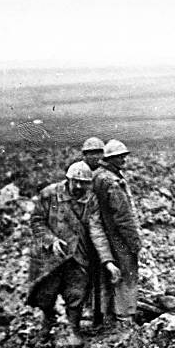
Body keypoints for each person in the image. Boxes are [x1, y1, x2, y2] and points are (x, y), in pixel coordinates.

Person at [27, 162, 121, 347]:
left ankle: (74, 329)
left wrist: (108, 261)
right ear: (68, 179)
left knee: (76, 293)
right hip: (50, 257)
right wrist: (50, 240)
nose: (78, 187)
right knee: (45, 294)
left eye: (83, 183)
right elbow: (37, 220)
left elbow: (97, 231)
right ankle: (47, 321)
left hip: (77, 254)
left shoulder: (91, 200)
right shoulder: (49, 194)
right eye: (75, 182)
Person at [92, 139, 141, 328]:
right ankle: (125, 317)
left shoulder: (97, 176)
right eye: (120, 157)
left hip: (104, 233)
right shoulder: (111, 181)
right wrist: (135, 242)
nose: (124, 160)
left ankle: (106, 316)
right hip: (118, 236)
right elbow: (123, 216)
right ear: (110, 158)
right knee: (128, 272)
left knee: (107, 276)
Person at [81, 136, 105, 326]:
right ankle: (86, 311)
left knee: (101, 274)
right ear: (85, 155)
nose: (96, 157)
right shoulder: (80, 172)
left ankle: (100, 312)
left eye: (99, 152)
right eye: (92, 153)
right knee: (84, 274)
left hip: (99, 231)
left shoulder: (102, 174)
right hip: (83, 231)